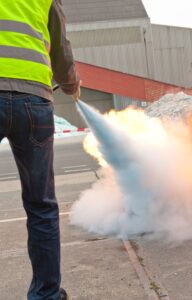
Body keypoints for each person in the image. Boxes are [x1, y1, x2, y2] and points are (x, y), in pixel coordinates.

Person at [0, 0, 80, 299]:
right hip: (34, 99)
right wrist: (71, 85)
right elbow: (60, 49)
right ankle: (46, 295)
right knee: (41, 206)